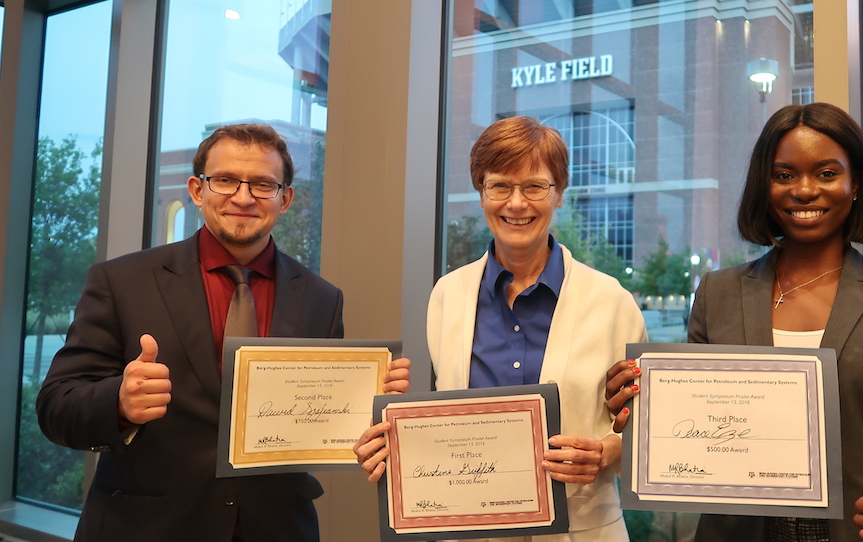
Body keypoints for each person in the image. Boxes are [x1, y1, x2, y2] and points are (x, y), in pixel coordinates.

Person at [607, 103, 863, 542]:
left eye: (826, 173)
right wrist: (644, 412)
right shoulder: (717, 294)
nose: (804, 190)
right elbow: (699, 438)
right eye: (784, 175)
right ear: (764, 186)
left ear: (855, 182)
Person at [36, 123, 410, 542]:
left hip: (277, 527)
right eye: (226, 180)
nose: (244, 197)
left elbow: (321, 418)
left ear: (285, 199)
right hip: (145, 526)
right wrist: (118, 403)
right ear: (198, 190)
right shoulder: (122, 281)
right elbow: (55, 407)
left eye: (263, 184)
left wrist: (375, 404)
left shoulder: (323, 299)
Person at [354, 116, 647, 542]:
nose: (516, 203)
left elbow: (648, 431)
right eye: (500, 186)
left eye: (534, 186)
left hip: (582, 530)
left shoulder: (612, 301)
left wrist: (608, 452)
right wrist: (392, 438)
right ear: (481, 192)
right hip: (472, 530)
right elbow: (450, 427)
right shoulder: (448, 296)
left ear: (559, 193)